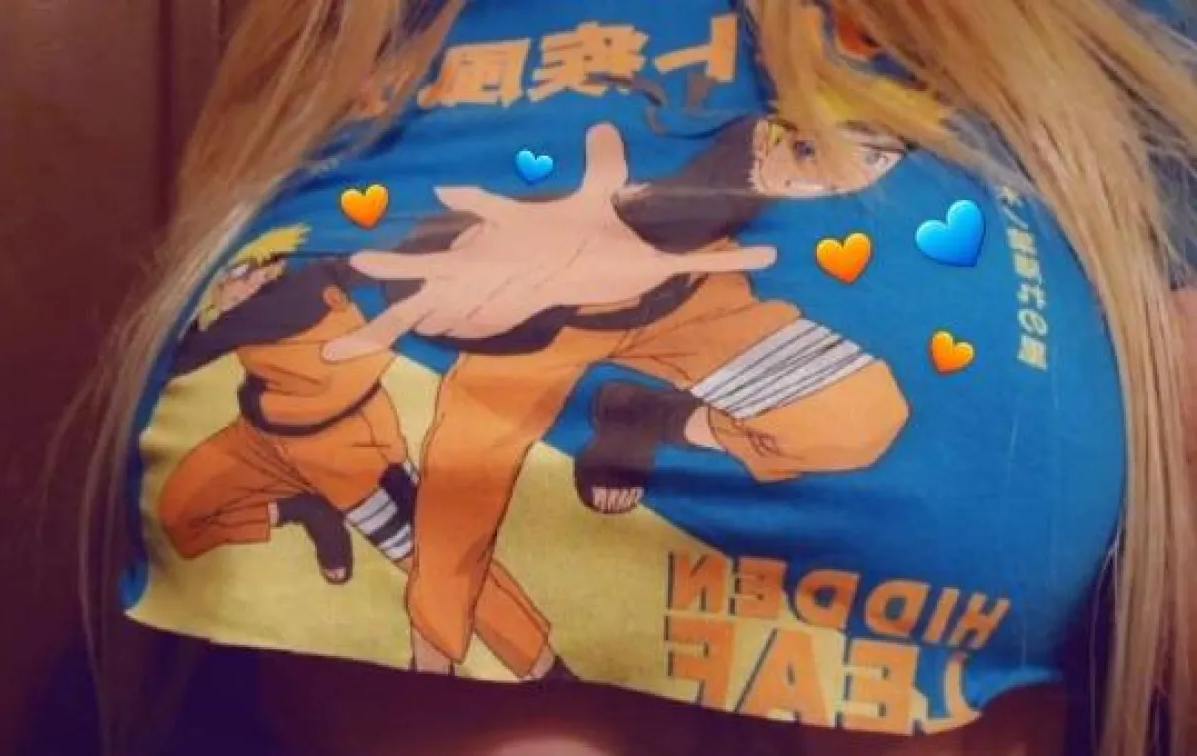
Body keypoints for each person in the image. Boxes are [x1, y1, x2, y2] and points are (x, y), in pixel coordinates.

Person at [79, 0, 1197, 755]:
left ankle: (650, 418)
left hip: (691, 307)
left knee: (850, 418)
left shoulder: (1101, 37)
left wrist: (654, 241)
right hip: (504, 353)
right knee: (445, 573)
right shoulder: (333, 37)